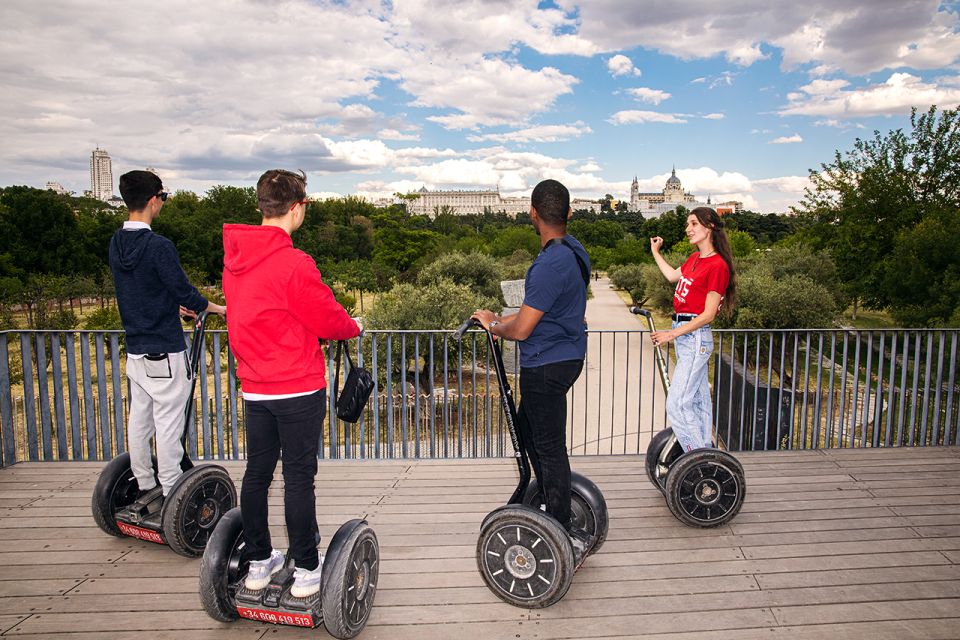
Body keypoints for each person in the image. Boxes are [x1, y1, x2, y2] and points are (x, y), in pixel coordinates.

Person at [222, 169, 361, 598]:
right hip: (297, 387)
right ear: (297, 207)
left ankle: (260, 562)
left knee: (258, 473)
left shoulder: (234, 259)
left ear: (262, 205)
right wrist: (352, 328)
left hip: (256, 387)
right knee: (299, 476)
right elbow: (326, 318)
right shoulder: (294, 263)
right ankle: (306, 570)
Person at [471, 179, 590, 555]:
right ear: (569, 213)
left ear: (533, 214)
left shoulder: (547, 264)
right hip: (568, 355)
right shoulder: (575, 250)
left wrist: (494, 325)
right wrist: (495, 317)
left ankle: (559, 524)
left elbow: (522, 329)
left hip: (545, 365)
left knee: (549, 447)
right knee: (528, 432)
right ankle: (543, 498)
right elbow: (533, 313)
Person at [109, 170, 226, 506]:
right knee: (168, 421)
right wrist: (215, 308)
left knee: (140, 417)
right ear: (153, 200)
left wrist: (170, 307)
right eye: (163, 197)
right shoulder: (159, 246)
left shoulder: (117, 243)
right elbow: (184, 291)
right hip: (165, 349)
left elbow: (138, 291)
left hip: (135, 350)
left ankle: (145, 483)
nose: (163, 203)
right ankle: (174, 487)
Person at [649, 206, 737, 453]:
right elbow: (670, 277)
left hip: (694, 337)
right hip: (685, 334)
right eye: (688, 224)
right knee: (698, 403)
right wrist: (656, 252)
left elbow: (708, 314)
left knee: (677, 404)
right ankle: (706, 452)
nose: (688, 229)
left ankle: (696, 459)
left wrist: (671, 333)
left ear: (710, 227)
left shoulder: (717, 266)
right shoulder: (694, 259)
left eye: (693, 224)